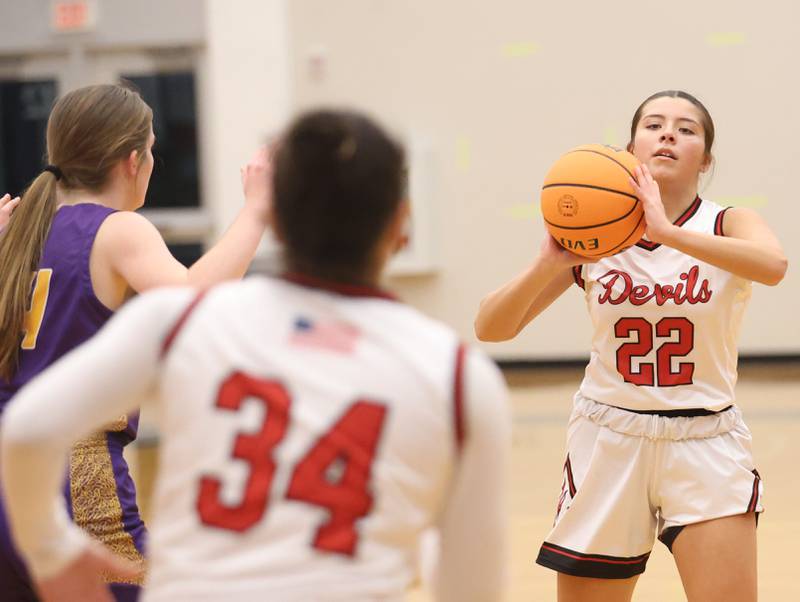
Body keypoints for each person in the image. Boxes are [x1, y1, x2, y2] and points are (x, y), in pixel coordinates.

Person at [1, 109, 511, 602]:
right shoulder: (454, 373)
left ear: (282, 223)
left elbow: (25, 427)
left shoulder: (28, 234)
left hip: (25, 480)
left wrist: (47, 548)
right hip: (80, 478)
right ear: (403, 225)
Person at [475, 90, 788, 602]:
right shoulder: (594, 237)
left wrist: (666, 232)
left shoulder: (728, 223)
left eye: (687, 129)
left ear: (705, 159)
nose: (669, 133)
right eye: (654, 124)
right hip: (609, 437)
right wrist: (549, 265)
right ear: (629, 148)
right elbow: (491, 327)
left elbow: (773, 266)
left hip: (705, 437)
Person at [0, 83, 271, 602]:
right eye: (151, 152)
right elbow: (194, 303)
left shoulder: (19, 235)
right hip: (76, 478)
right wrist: (257, 210)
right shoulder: (117, 229)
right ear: (133, 161)